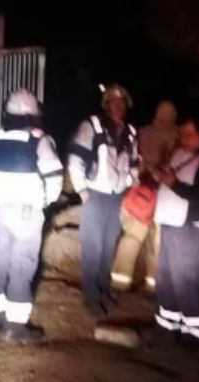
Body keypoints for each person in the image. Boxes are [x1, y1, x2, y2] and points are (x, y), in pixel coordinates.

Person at [0, 89, 63, 344]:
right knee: (22, 266)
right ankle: (15, 327)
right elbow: (54, 180)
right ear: (33, 115)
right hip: (27, 214)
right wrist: (42, 204)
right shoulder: (40, 141)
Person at [152, 117, 199, 343]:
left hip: (191, 228)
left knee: (187, 280)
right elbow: (169, 180)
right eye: (181, 134)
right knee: (166, 277)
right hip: (170, 224)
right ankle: (168, 323)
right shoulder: (179, 154)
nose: (183, 139)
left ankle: (193, 330)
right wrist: (159, 177)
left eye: (189, 134)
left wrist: (173, 183)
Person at [67, 84, 139, 315]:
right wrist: (82, 190)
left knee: (108, 246)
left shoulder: (130, 132)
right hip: (96, 196)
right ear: (106, 104)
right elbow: (75, 159)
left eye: (122, 102)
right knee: (93, 247)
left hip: (116, 198)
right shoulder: (92, 126)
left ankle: (103, 289)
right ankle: (91, 296)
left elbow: (134, 164)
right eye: (114, 102)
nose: (119, 106)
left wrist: (130, 182)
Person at [111, 100, 177, 291]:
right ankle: (152, 284)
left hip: (140, 192)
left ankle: (120, 280)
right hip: (163, 194)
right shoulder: (175, 135)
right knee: (157, 241)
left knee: (133, 235)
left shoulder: (143, 132)